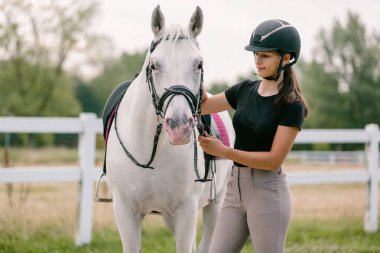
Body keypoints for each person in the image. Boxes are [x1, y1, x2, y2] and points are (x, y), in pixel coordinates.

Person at [198, 19, 309, 253]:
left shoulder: (292, 105)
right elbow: (203, 105)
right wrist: (191, 73)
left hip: (267, 193)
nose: (257, 60)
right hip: (233, 189)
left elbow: (273, 160)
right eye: (255, 54)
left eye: (265, 55)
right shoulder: (244, 90)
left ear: (287, 58)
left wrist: (223, 151)